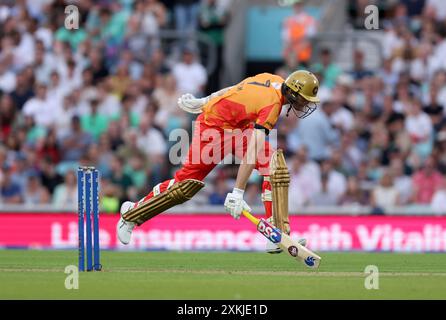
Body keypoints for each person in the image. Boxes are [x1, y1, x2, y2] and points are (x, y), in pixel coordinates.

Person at [116, 70, 320, 253]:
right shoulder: (272, 105)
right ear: (293, 93)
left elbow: (236, 89)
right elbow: (252, 152)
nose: (306, 105)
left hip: (239, 128)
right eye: (304, 99)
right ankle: (131, 215)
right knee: (184, 187)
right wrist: (238, 192)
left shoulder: (275, 80)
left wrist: (205, 100)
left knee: (275, 166)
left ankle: (276, 234)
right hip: (213, 128)